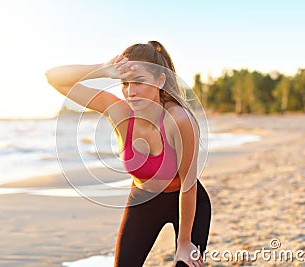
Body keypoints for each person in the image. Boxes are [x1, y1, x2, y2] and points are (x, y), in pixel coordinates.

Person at [45, 41, 211, 267]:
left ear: (160, 81)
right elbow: (54, 77)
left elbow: (188, 185)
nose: (131, 92)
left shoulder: (179, 120)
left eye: (139, 82)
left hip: (187, 202)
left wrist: (184, 242)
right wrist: (103, 69)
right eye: (124, 83)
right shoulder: (118, 111)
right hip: (142, 202)